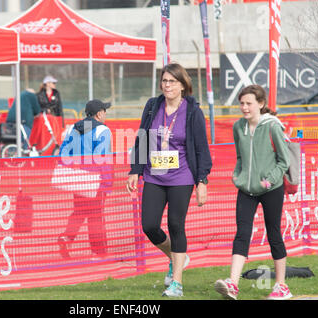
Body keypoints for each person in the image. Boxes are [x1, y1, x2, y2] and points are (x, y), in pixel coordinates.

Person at [126, 63, 212, 297]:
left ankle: (177, 284)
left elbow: (202, 149)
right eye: (164, 81)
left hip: (181, 176)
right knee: (149, 225)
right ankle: (176, 258)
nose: (167, 85)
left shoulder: (193, 111)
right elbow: (142, 138)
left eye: (172, 81)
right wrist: (135, 169)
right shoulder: (153, 106)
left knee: (176, 225)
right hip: (154, 175)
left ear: (183, 85)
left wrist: (201, 181)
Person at [214, 84, 292, 300]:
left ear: (261, 104)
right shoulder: (238, 127)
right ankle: (233, 284)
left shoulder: (272, 127)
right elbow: (240, 157)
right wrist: (237, 176)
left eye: (249, 103)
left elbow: (284, 161)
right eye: (242, 103)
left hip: (270, 189)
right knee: (242, 233)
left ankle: (281, 286)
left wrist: (270, 181)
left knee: (273, 233)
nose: (244, 108)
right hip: (246, 190)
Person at [57, 99, 113, 259]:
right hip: (97, 180)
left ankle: (66, 237)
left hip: (79, 178)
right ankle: (99, 251)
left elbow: (63, 153)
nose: (106, 114)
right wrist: (107, 182)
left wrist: (69, 172)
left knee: (79, 212)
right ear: (99, 113)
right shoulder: (103, 130)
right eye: (104, 110)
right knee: (96, 216)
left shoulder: (74, 128)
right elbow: (104, 159)